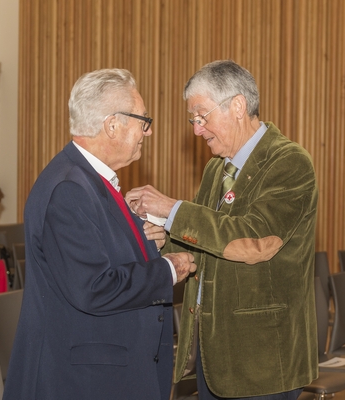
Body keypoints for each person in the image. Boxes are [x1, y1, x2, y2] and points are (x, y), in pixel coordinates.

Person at [125, 60, 319, 400]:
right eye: (193, 120)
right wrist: (160, 237)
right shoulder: (217, 169)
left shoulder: (289, 161)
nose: (197, 130)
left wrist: (172, 210)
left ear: (238, 106)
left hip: (262, 359)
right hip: (214, 353)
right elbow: (204, 243)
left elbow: (255, 241)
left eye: (202, 116)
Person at [3, 68, 197, 400]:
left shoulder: (88, 181)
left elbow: (104, 256)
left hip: (108, 373)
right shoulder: (69, 189)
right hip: (83, 381)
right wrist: (168, 268)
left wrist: (143, 238)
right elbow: (93, 287)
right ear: (112, 125)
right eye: (143, 121)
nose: (148, 131)